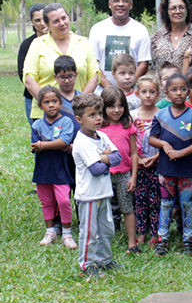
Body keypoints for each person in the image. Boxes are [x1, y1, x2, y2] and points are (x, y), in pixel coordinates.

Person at [149, 73, 192, 256]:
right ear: (167, 93)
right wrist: (164, 145)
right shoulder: (160, 115)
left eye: (183, 89)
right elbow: (152, 139)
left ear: (188, 92)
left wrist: (181, 153)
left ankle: (188, 239)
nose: (179, 93)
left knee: (187, 203)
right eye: (174, 90)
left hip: (187, 169)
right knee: (166, 203)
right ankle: (162, 239)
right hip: (166, 169)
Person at [71, 93, 121, 277]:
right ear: (79, 119)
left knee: (106, 230)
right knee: (89, 232)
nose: (98, 118)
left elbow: (118, 157)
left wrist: (102, 158)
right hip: (89, 196)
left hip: (104, 193)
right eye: (92, 115)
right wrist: (106, 158)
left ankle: (104, 259)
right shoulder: (82, 142)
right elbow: (96, 170)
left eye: (99, 113)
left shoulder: (102, 136)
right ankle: (87, 264)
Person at [24, 3, 101, 120]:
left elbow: (94, 76)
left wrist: (78, 105)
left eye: (64, 18)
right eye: (55, 21)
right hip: (46, 116)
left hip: (79, 114)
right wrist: (50, 105)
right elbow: (29, 79)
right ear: (48, 25)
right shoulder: (37, 44)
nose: (62, 23)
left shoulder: (84, 42)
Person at [31, 86, 75, 248]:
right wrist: (53, 145)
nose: (51, 105)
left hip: (61, 170)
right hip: (43, 170)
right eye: (46, 102)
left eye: (54, 101)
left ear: (60, 103)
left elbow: (64, 142)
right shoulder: (36, 125)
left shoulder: (66, 121)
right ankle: (50, 231)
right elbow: (34, 146)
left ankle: (67, 233)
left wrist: (43, 144)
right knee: (46, 201)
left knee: (63, 200)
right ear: (40, 105)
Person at [99, 88, 140, 253]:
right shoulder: (100, 127)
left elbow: (134, 153)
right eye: (111, 107)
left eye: (120, 106)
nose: (116, 110)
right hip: (104, 174)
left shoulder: (127, 125)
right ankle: (102, 240)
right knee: (103, 208)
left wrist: (134, 177)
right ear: (103, 108)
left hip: (124, 175)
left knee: (127, 208)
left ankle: (132, 242)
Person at [88, 0, 152, 85]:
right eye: (116, 0)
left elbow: (143, 65)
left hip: (132, 93)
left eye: (125, 1)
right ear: (110, 4)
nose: (121, 4)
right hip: (102, 92)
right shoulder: (97, 29)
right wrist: (110, 90)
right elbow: (93, 64)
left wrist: (126, 87)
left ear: (131, 5)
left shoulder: (141, 30)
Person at [130, 76, 161, 247]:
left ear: (158, 94)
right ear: (137, 94)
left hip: (157, 164)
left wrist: (156, 158)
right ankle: (142, 231)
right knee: (140, 199)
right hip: (139, 165)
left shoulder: (161, 115)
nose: (148, 95)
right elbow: (131, 141)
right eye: (144, 92)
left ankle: (155, 232)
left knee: (156, 199)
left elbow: (165, 140)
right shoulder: (133, 116)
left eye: (152, 92)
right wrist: (138, 160)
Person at [150, 0, 192, 77]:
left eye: (181, 7)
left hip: (188, 87)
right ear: (166, 12)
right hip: (162, 88)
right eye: (173, 8)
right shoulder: (158, 36)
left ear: (187, 10)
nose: (178, 11)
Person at [17, 3, 48, 124]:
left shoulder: (59, 40)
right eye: (37, 20)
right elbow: (22, 74)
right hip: (33, 98)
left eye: (44, 19)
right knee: (38, 135)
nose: (42, 23)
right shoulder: (27, 44)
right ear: (31, 21)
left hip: (59, 97)